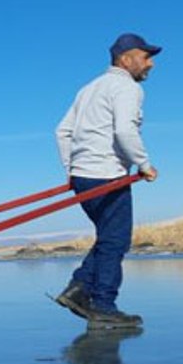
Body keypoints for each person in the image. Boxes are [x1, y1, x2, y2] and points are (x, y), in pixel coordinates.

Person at [54, 33, 161, 328]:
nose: (150, 64)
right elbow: (125, 131)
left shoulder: (89, 88)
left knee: (108, 237)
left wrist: (72, 169)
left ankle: (78, 289)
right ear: (125, 59)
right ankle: (103, 305)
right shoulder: (126, 87)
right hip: (107, 174)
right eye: (146, 56)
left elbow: (61, 132)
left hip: (83, 176)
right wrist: (145, 164)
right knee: (115, 241)